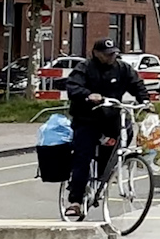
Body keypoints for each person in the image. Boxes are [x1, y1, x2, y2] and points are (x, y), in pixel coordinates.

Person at [63, 39, 151, 219]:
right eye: (108, 54)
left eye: (114, 53)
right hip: (87, 119)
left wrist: (145, 101)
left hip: (111, 119)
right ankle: (75, 201)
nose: (112, 57)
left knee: (115, 147)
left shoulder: (122, 68)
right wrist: (88, 95)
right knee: (83, 157)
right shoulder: (85, 68)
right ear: (96, 53)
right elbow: (72, 87)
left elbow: (137, 84)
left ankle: (105, 176)